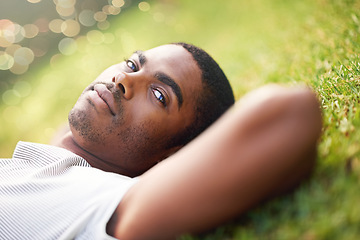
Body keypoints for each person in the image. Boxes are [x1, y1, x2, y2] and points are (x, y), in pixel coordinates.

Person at [0, 43, 322, 240]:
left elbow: (293, 112)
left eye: (159, 95)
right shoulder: (48, 168)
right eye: (132, 64)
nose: (123, 80)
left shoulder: (99, 202)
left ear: (171, 159)